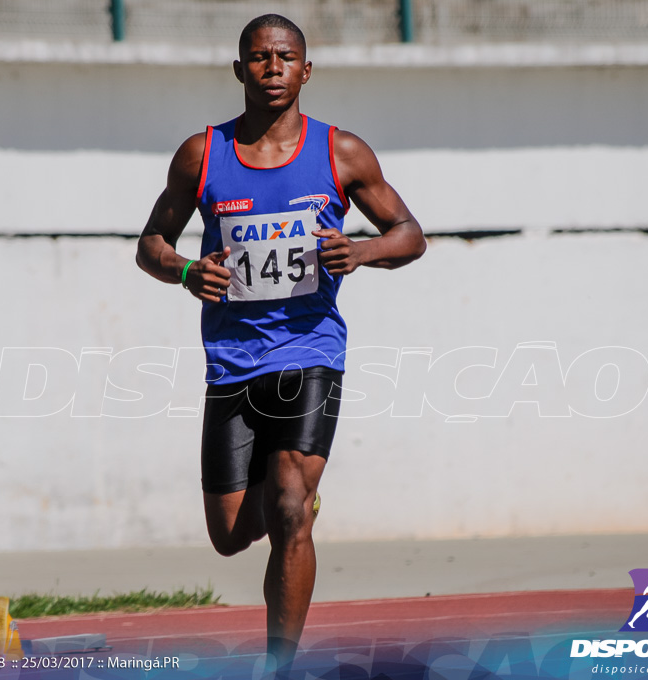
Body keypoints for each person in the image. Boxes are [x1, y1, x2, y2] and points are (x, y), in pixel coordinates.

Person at [136, 14, 425, 672]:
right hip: (232, 360)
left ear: (306, 70)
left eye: (285, 57)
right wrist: (186, 271)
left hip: (310, 352)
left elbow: (410, 233)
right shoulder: (202, 153)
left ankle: (279, 665)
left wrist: (363, 249)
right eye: (259, 58)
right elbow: (151, 244)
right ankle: (286, 500)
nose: (272, 68)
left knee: (291, 505)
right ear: (239, 69)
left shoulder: (341, 153)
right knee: (232, 535)